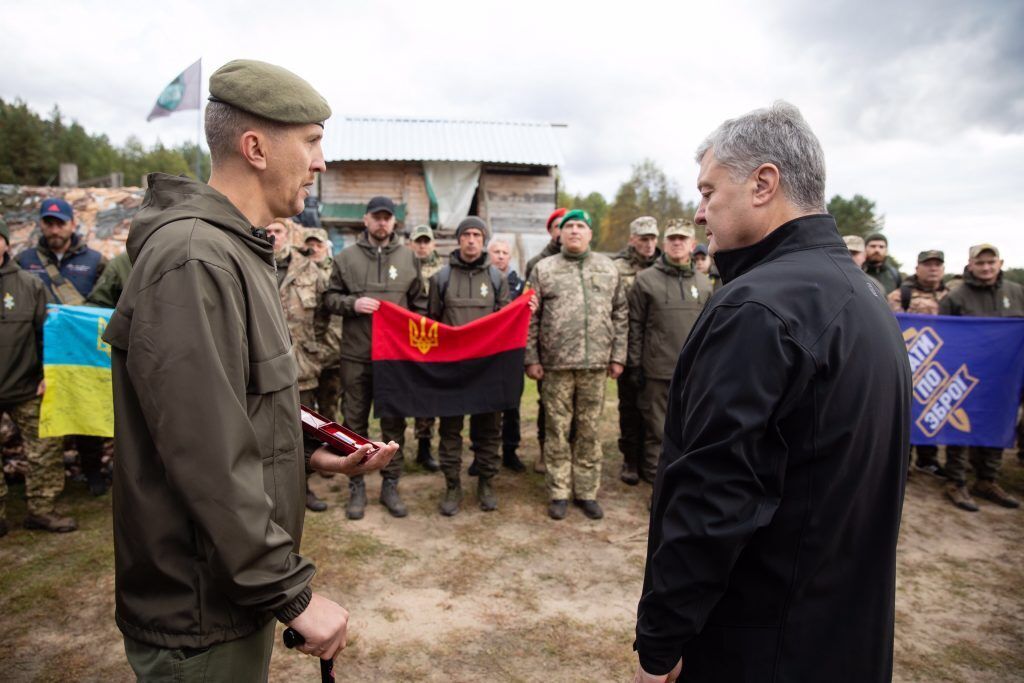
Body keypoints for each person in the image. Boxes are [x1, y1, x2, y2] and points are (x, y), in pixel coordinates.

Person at [101, 59, 397, 680]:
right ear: (256, 148)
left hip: (226, 590)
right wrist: (290, 591)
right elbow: (201, 450)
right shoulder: (194, 257)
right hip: (199, 602)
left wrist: (312, 452)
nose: (321, 161)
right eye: (312, 141)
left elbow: (239, 406)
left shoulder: (235, 248)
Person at [634, 102, 910, 683]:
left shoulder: (758, 306)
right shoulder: (861, 294)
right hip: (841, 631)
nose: (700, 211)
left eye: (709, 191)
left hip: (761, 642)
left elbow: (715, 494)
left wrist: (663, 640)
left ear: (763, 183)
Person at [324, 195, 428, 520]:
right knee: (353, 421)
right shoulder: (346, 258)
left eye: (388, 217)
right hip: (356, 355)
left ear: (394, 222)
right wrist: (352, 304)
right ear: (366, 220)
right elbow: (329, 298)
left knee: (393, 423)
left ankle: (390, 485)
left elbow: (420, 305)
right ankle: (356, 487)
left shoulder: (410, 260)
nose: (382, 222)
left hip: (394, 359)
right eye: (376, 217)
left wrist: (412, 340)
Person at [526, 209, 627, 521]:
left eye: (580, 226)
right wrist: (532, 358)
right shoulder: (543, 269)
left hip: (595, 364)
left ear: (590, 233)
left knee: (588, 430)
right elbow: (531, 318)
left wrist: (617, 356)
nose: (574, 231)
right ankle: (558, 491)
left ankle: (586, 491)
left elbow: (620, 314)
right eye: (568, 226)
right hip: (556, 365)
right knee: (556, 429)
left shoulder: (608, 268)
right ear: (559, 233)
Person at [17, 198, 109, 495]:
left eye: (60, 222)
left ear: (72, 224)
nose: (54, 228)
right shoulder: (25, 261)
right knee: (44, 413)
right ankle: (46, 483)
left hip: (80, 352)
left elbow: (107, 302)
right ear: (41, 224)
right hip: (37, 350)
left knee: (85, 408)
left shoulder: (95, 260)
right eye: (49, 222)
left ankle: (93, 470)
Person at [429, 217, 510, 515]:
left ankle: (486, 481)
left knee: (489, 430)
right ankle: (452, 485)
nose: (472, 240)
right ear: (459, 239)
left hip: (487, 370)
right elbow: (433, 323)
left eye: (477, 235)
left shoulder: (498, 279)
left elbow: (506, 322)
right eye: (467, 235)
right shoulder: (441, 278)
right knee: (450, 429)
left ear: (484, 240)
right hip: (451, 371)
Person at [0, 219, 76, 535]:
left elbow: (48, 335)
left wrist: (48, 374)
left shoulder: (30, 285)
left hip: (27, 385)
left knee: (45, 449)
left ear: (5, 243)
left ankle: (42, 510)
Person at [627, 218, 712, 484]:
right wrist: (635, 365)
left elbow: (710, 331)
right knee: (657, 432)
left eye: (682, 239)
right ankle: (658, 485)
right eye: (672, 239)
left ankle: (683, 483)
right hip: (657, 371)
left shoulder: (705, 284)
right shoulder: (645, 280)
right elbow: (635, 326)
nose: (677, 243)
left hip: (693, 372)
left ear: (692, 244)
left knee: (690, 430)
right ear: (664, 243)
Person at [939, 244, 1023, 511]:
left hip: (1004, 377)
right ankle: (956, 480)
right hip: (966, 375)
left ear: (1000, 262)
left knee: (997, 425)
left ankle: (988, 479)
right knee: (961, 426)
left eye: (991, 262)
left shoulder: (1017, 292)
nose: (986, 268)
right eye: (980, 263)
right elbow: (945, 337)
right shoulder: (955, 296)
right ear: (970, 264)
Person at [267, 218, 332, 513]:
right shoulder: (254, 263)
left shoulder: (309, 270)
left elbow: (326, 315)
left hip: (302, 365)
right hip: (263, 366)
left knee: (302, 430)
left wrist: (318, 352)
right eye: (267, 231)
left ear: (288, 234)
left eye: (277, 231)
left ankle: (301, 489)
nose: (272, 236)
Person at [887, 250, 950, 478]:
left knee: (934, 409)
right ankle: (905, 460)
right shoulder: (900, 295)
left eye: (937, 264)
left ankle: (929, 459)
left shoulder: (952, 295)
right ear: (917, 268)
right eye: (928, 264)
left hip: (941, 363)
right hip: (911, 362)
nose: (933, 268)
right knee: (909, 411)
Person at [614, 216, 661, 485]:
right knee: (629, 407)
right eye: (643, 238)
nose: (649, 243)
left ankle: (649, 459)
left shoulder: (664, 266)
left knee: (654, 409)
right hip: (627, 345)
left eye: (653, 238)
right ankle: (630, 458)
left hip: (656, 348)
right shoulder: (617, 268)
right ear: (633, 239)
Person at [524, 207, 567, 474]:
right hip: (547, 351)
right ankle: (544, 449)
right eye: (558, 226)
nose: (564, 231)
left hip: (576, 351)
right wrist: (532, 356)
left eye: (569, 225)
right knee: (546, 405)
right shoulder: (537, 264)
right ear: (551, 231)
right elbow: (529, 311)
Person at [488, 237, 527, 472]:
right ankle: (482, 453)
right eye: (496, 251)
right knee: (484, 407)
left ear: (510, 257)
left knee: (512, 405)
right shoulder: (482, 280)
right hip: (486, 356)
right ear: (488, 254)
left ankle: (510, 450)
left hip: (511, 355)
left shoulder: (521, 285)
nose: (501, 255)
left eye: (505, 252)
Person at [408, 224, 443, 472]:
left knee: (427, 395)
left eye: (426, 241)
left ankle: (424, 445)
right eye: (418, 241)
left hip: (431, 341)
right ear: (411, 243)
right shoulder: (402, 266)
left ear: (432, 244)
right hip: (403, 338)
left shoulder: (442, 271)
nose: (422, 245)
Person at [303, 228, 344, 427]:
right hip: (305, 352)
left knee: (329, 406)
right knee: (306, 409)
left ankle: (333, 449)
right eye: (310, 245)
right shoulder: (298, 273)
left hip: (332, 350)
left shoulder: (337, 272)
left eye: (319, 245)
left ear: (327, 247)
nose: (314, 249)